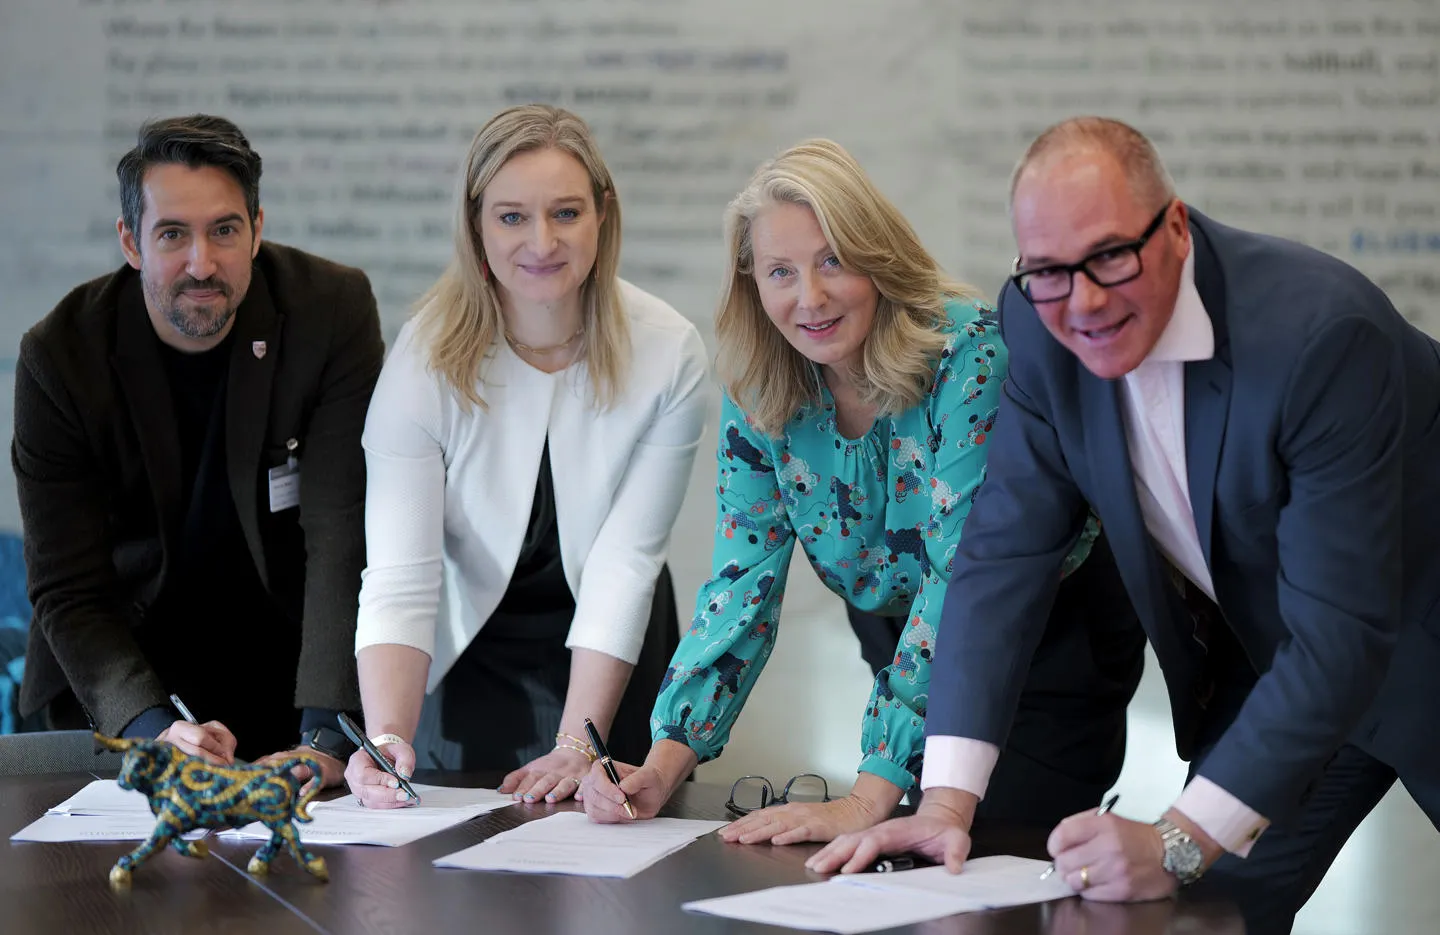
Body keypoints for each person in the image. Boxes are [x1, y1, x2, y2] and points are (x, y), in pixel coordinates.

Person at [810, 117, 1440, 933]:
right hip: (1287, 673)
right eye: (1047, 271)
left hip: (1411, 636)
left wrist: (1177, 837)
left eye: (1110, 256)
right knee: (1192, 912)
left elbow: (1344, 629)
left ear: (1175, 226)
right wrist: (945, 800)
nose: (1085, 301)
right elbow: (1002, 554)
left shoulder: (1322, 335)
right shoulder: (1037, 324)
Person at [582, 139, 1143, 842]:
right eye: (780, 271)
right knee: (903, 860)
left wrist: (868, 792)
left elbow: (961, 576)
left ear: (876, 257)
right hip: (903, 638)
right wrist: (664, 762)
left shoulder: (969, 355)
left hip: (1042, 637)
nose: (808, 297)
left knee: (991, 853)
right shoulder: (760, 389)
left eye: (833, 261)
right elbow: (740, 586)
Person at [344, 105, 709, 809]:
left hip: (615, 649)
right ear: (477, 225)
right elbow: (400, 576)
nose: (541, 241)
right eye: (512, 216)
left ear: (603, 216)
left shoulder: (669, 350)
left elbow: (624, 563)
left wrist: (579, 740)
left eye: (565, 213)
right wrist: (386, 735)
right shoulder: (424, 361)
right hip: (473, 644)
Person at [14, 114, 384, 786]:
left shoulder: (331, 310)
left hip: (286, 674)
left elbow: (341, 532)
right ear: (131, 241)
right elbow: (69, 589)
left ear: (258, 228)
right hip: (116, 690)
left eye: (224, 230)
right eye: (173, 234)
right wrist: (153, 730)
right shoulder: (60, 356)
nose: (202, 263)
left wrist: (326, 731)